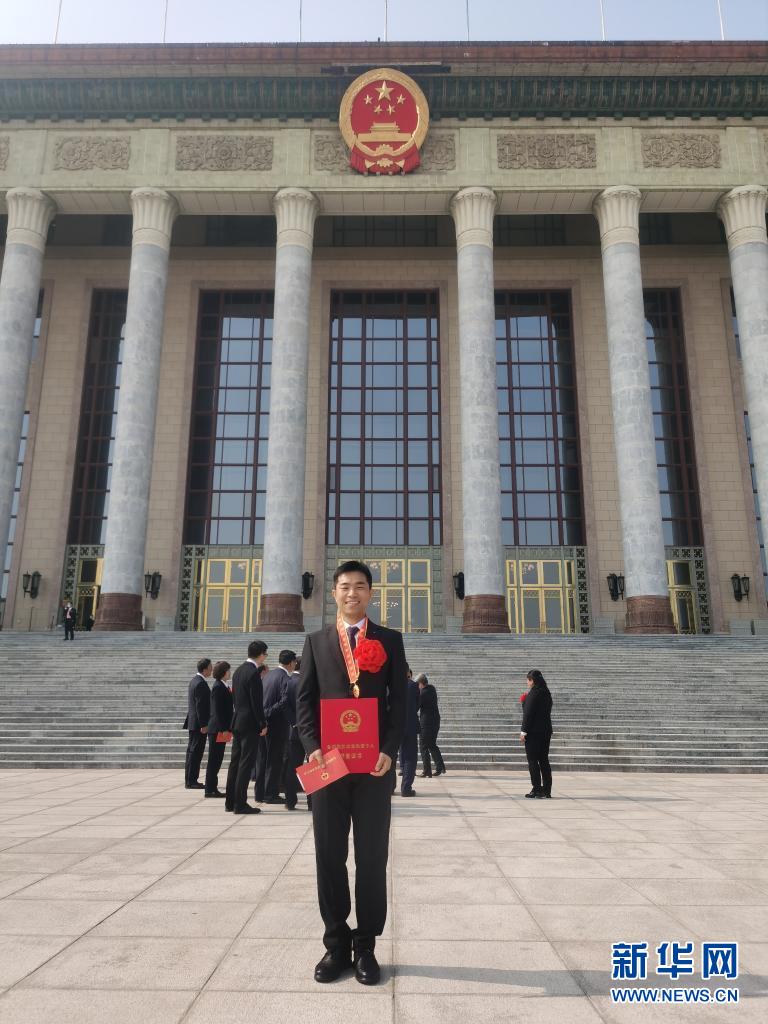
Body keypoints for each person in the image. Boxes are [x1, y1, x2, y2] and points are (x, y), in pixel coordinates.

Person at [297, 559, 406, 986]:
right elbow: (305, 703)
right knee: (328, 855)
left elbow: (400, 704)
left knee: (372, 857)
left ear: (370, 593)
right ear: (334, 592)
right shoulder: (316, 642)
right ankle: (335, 944)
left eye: (360, 586)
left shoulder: (389, 641)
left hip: (373, 767)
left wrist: (389, 750)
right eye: (345, 586)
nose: (352, 593)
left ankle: (366, 945)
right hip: (328, 766)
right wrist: (312, 747)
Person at [225, 640, 268, 814]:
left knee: (235, 763)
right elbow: (256, 703)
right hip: (250, 723)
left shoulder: (239, 671)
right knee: (245, 763)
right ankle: (240, 804)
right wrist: (262, 723)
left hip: (238, 721)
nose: (265, 657)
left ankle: (230, 802)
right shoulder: (253, 673)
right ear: (261, 654)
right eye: (265, 654)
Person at [260, 649, 297, 804]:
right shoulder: (285, 678)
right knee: (275, 760)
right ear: (291, 663)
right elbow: (284, 702)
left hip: (265, 723)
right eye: (294, 662)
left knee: (266, 759)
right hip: (277, 724)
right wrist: (294, 722)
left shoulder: (268, 675)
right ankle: (270, 794)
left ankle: (263, 792)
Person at [520, 668, 553, 799]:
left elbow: (528, 714)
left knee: (533, 760)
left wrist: (523, 731)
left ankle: (537, 789)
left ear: (532, 681)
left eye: (528, 680)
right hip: (545, 731)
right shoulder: (546, 693)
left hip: (533, 733)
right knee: (544, 760)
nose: (527, 683)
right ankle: (547, 790)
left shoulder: (533, 694)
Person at [205, 660, 233, 798]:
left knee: (218, 758)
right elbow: (217, 711)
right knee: (214, 759)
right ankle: (210, 789)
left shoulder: (223, 685)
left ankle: (212, 787)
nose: (230, 672)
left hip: (221, 728)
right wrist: (224, 729)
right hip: (218, 729)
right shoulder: (218, 687)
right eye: (228, 670)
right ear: (224, 672)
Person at [184, 658, 212, 790]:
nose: (212, 670)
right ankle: (192, 781)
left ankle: (190, 780)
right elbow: (200, 706)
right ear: (205, 669)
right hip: (198, 725)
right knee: (195, 752)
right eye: (210, 668)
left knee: (192, 752)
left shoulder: (194, 681)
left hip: (193, 723)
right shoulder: (200, 683)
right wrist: (203, 724)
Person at [283, 656, 306, 811]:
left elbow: (284, 704)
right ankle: (312, 802)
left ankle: (290, 801)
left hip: (294, 731)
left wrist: (294, 722)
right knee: (314, 765)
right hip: (310, 731)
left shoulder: (289, 681)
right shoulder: (307, 681)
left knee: (293, 767)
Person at [417, 673, 446, 778]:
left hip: (426, 723)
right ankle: (440, 767)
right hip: (435, 721)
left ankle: (427, 771)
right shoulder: (432, 690)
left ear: (420, 683)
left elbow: (416, 706)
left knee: (423, 745)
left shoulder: (422, 693)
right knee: (432, 744)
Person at [399, 665, 420, 797]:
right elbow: (417, 705)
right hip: (410, 725)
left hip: (395, 725)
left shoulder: (392, 685)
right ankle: (406, 788)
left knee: (391, 756)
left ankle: (389, 788)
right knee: (410, 757)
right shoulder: (413, 686)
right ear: (408, 673)